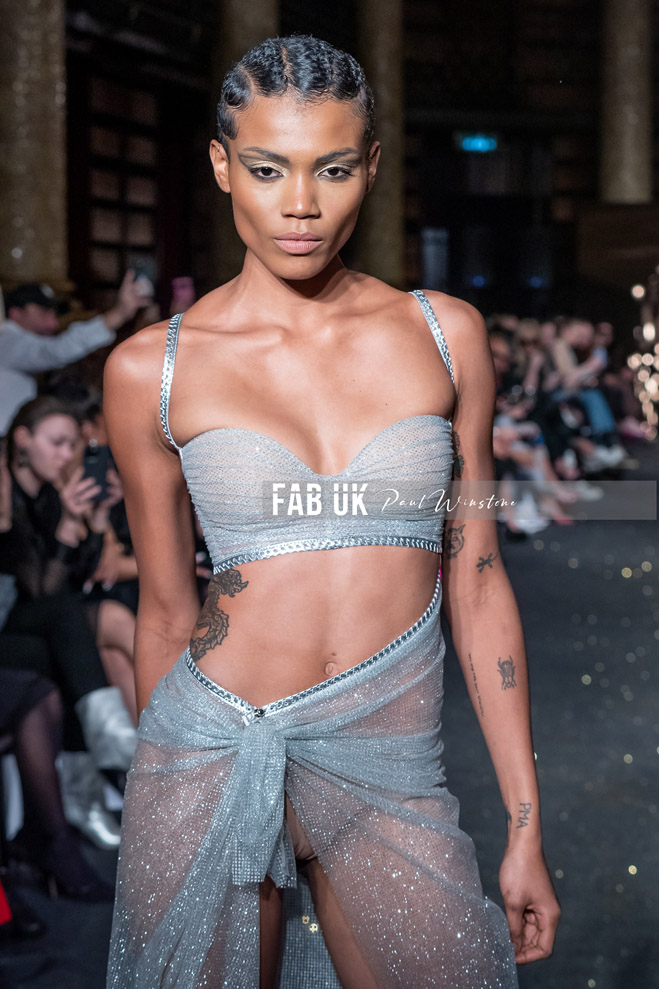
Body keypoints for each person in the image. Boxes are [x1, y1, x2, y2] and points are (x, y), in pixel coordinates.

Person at [105, 36, 560, 988]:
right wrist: (165, 795)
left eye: (333, 169)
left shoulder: (445, 335)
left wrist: (525, 825)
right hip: (210, 746)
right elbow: (164, 612)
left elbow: (477, 579)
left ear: (372, 167)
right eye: (267, 168)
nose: (300, 204)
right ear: (222, 164)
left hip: (390, 762)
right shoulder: (153, 368)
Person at [0, 273, 151, 435]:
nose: (53, 322)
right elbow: (56, 351)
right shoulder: (7, 340)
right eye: (43, 312)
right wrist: (118, 315)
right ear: (15, 313)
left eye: (54, 312)